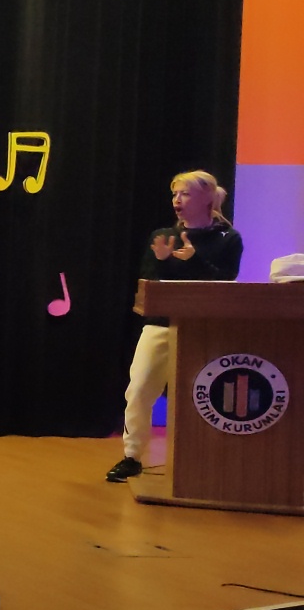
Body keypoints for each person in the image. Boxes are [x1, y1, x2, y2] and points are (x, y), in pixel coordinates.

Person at [107, 170, 243, 483]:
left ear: (206, 198)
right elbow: (149, 281)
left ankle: (206, 462)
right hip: (160, 324)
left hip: (205, 328)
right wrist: (163, 260)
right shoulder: (163, 235)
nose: (177, 200)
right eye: (175, 194)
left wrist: (193, 260)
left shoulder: (228, 238)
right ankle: (131, 457)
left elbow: (225, 280)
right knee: (139, 388)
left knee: (204, 396)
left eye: (185, 194)